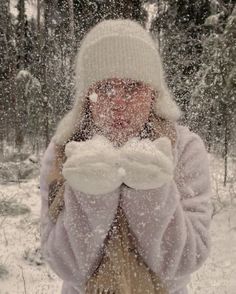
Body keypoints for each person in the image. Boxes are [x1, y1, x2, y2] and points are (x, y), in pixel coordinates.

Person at [39, 19, 213, 294]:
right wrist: (91, 194)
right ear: (87, 96)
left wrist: (150, 190)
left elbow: (187, 259)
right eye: (105, 88)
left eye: (133, 88)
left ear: (153, 92)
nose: (118, 102)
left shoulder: (184, 149)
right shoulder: (64, 151)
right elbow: (64, 265)